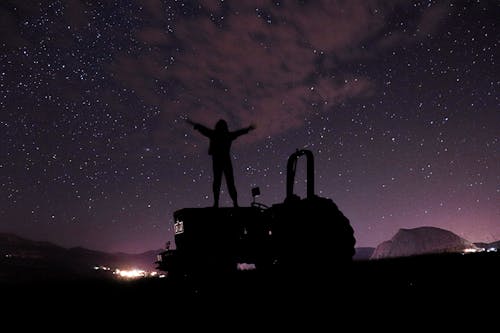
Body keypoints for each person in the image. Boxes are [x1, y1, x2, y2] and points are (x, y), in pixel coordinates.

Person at [186, 118, 255, 208]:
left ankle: (219, 203)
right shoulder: (227, 135)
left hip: (218, 160)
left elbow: (203, 129)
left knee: (219, 182)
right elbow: (239, 132)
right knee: (227, 182)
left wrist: (195, 125)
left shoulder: (215, 134)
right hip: (225, 160)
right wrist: (248, 129)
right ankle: (233, 203)